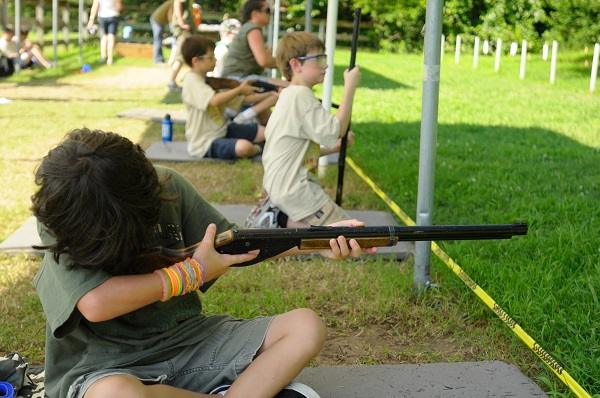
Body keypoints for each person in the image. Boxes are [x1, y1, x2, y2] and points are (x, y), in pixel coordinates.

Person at [32, 128, 369, 398]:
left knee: (305, 326)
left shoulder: (165, 186)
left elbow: (235, 246)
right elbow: (96, 303)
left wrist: (318, 240)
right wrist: (192, 273)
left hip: (187, 340)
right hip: (101, 364)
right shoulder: (63, 208)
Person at [249, 32, 358, 229]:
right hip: (295, 188)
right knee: (352, 233)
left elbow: (294, 149)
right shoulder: (301, 96)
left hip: (280, 186)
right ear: (296, 65)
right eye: (319, 59)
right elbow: (336, 131)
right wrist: (350, 87)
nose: (325, 65)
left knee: (323, 235)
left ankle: (279, 220)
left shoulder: (289, 95)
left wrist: (333, 149)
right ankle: (276, 221)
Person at [181, 35, 278, 160]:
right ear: (195, 61)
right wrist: (239, 89)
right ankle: (258, 148)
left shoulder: (209, 81)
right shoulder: (192, 81)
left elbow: (244, 99)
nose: (215, 61)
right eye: (211, 57)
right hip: (205, 142)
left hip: (224, 130)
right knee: (244, 148)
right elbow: (214, 101)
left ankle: (256, 146)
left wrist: (271, 95)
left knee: (264, 132)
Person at [220, 0, 286, 88]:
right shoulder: (253, 29)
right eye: (268, 11)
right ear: (255, 13)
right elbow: (264, 61)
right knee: (288, 87)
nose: (271, 14)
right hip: (238, 78)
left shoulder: (249, 28)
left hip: (237, 77)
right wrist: (288, 64)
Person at [87, 0, 122, 65]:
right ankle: (110, 59)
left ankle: (103, 57)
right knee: (111, 37)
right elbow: (119, 7)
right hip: (113, 16)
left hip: (102, 16)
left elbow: (95, 5)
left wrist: (91, 19)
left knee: (104, 37)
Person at [167, 0, 191, 91]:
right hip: (183, 30)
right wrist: (181, 23)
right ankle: (171, 82)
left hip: (183, 29)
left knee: (187, 55)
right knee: (180, 57)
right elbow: (177, 4)